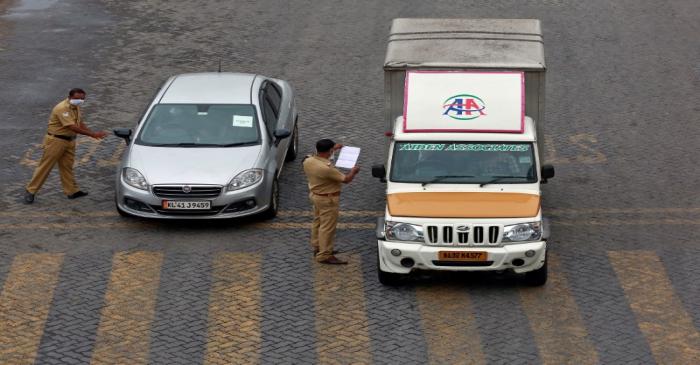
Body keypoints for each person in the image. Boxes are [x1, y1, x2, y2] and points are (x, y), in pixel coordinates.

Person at [23, 88, 107, 204]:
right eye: (77, 98)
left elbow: (79, 122)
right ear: (70, 97)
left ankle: (72, 191)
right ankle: (30, 191)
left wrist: (92, 134)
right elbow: (72, 127)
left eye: (82, 99)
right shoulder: (62, 108)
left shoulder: (75, 107)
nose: (80, 101)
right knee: (45, 166)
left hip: (69, 141)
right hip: (56, 141)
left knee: (67, 167)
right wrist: (92, 134)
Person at [303, 139, 360, 264]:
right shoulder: (326, 169)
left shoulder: (308, 160)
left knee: (317, 222)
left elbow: (319, 154)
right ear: (329, 151)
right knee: (327, 227)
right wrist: (353, 172)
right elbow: (346, 179)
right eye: (332, 150)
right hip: (327, 199)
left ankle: (318, 247)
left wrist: (334, 148)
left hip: (315, 196)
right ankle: (324, 255)